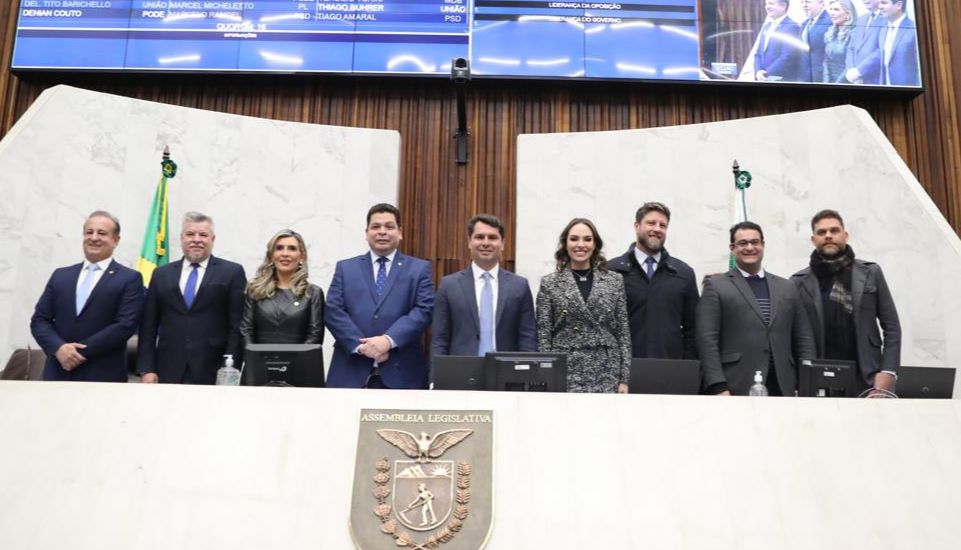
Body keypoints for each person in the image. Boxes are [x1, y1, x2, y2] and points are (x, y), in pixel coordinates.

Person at [696, 222, 816, 396]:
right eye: (743, 243)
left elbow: (804, 339)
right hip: (735, 385)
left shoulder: (787, 287)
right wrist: (718, 385)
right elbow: (707, 340)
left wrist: (807, 383)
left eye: (755, 242)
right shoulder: (716, 286)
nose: (750, 247)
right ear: (732, 248)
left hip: (783, 385)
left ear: (763, 245)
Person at [791, 210, 900, 396]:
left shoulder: (871, 272)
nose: (828, 236)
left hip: (868, 376)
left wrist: (888, 372)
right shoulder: (797, 282)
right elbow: (794, 337)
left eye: (834, 230)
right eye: (821, 232)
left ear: (845, 235)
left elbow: (892, 327)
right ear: (813, 239)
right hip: (819, 378)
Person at [325, 203, 434, 389]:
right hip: (350, 371)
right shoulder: (346, 268)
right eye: (376, 227)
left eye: (389, 226)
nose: (382, 232)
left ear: (400, 232)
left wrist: (388, 341)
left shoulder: (419, 269)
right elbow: (333, 311)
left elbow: (424, 311)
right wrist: (362, 347)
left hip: (402, 373)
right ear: (366, 233)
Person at [30, 211, 143, 382]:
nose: (94, 237)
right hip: (58, 373)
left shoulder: (129, 278)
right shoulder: (61, 276)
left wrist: (75, 354)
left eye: (102, 233)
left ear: (116, 240)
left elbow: (124, 326)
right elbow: (39, 320)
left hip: (103, 376)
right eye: (89, 232)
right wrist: (59, 349)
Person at [137, 212, 247, 384]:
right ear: (181, 239)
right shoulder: (161, 274)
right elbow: (148, 325)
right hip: (167, 367)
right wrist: (147, 368)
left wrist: (230, 369)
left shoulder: (232, 272)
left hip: (213, 368)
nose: (196, 239)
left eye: (203, 235)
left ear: (213, 239)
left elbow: (237, 326)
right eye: (190, 234)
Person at [536, 218, 631, 394]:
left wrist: (624, 378)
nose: (581, 245)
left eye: (587, 239)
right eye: (574, 239)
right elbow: (543, 335)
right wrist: (546, 375)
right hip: (565, 371)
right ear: (565, 244)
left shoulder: (614, 281)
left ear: (595, 244)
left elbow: (623, 332)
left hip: (607, 371)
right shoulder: (549, 283)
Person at [431, 214, 536, 357]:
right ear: (469, 242)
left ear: (503, 243)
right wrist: (436, 378)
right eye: (479, 237)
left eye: (492, 238)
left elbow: (527, 337)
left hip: (506, 372)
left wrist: (527, 376)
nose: (486, 243)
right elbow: (440, 339)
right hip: (462, 372)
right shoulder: (449, 285)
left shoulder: (519, 286)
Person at [609, 202, 698, 359]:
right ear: (637, 226)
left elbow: (693, 329)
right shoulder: (611, 271)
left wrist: (687, 367)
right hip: (623, 372)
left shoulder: (684, 273)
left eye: (662, 225)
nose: (657, 229)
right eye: (651, 223)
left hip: (671, 370)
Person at [240, 229, 324, 349]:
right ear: (271, 256)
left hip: (299, 365)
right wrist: (258, 358)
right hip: (258, 364)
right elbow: (246, 331)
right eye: (279, 248)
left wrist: (291, 362)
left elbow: (315, 335)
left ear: (302, 257)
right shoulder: (255, 290)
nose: (285, 253)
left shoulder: (313, 293)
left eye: (292, 248)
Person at [753, 0, 803, 82]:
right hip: (761, 79)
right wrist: (758, 71)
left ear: (783, 6)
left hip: (780, 81)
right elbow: (758, 53)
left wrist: (766, 73)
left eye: (771, 4)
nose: (767, 7)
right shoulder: (767, 26)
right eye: (766, 4)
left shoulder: (791, 27)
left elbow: (787, 56)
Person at [877, 0, 919, 86]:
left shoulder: (913, 29)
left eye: (884, 3)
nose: (879, 7)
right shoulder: (882, 30)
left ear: (899, 5)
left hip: (907, 93)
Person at [844, 0, 884, 84]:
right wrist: (851, 71)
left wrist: (859, 71)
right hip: (855, 80)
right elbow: (851, 47)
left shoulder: (887, 19)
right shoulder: (861, 19)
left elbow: (882, 50)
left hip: (876, 80)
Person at [822, 0, 857, 83]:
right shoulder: (830, 33)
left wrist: (838, 84)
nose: (832, 13)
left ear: (848, 14)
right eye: (831, 9)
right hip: (830, 82)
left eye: (836, 9)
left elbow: (851, 65)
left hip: (846, 83)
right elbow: (826, 61)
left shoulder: (854, 34)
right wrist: (826, 82)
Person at [798, 0, 830, 82]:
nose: (804, 5)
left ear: (821, 4)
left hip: (822, 77)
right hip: (804, 76)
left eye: (808, 2)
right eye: (802, 2)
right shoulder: (804, 23)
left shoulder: (830, 21)